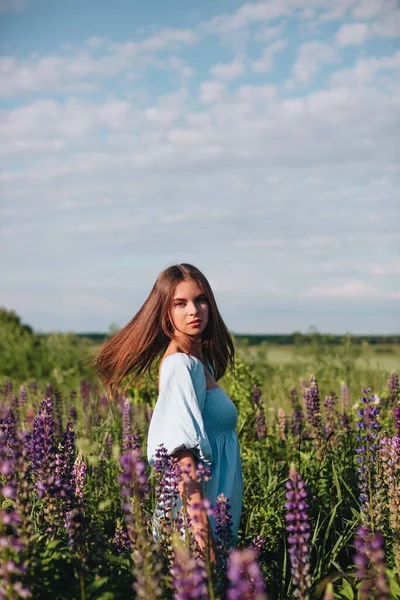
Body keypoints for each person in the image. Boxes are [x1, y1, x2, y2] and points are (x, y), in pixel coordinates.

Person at [93, 263, 243, 562]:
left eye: (200, 300)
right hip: (196, 517)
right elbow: (182, 453)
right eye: (180, 303)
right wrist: (203, 539)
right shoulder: (179, 366)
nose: (194, 310)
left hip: (217, 507)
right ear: (165, 312)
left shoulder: (200, 363)